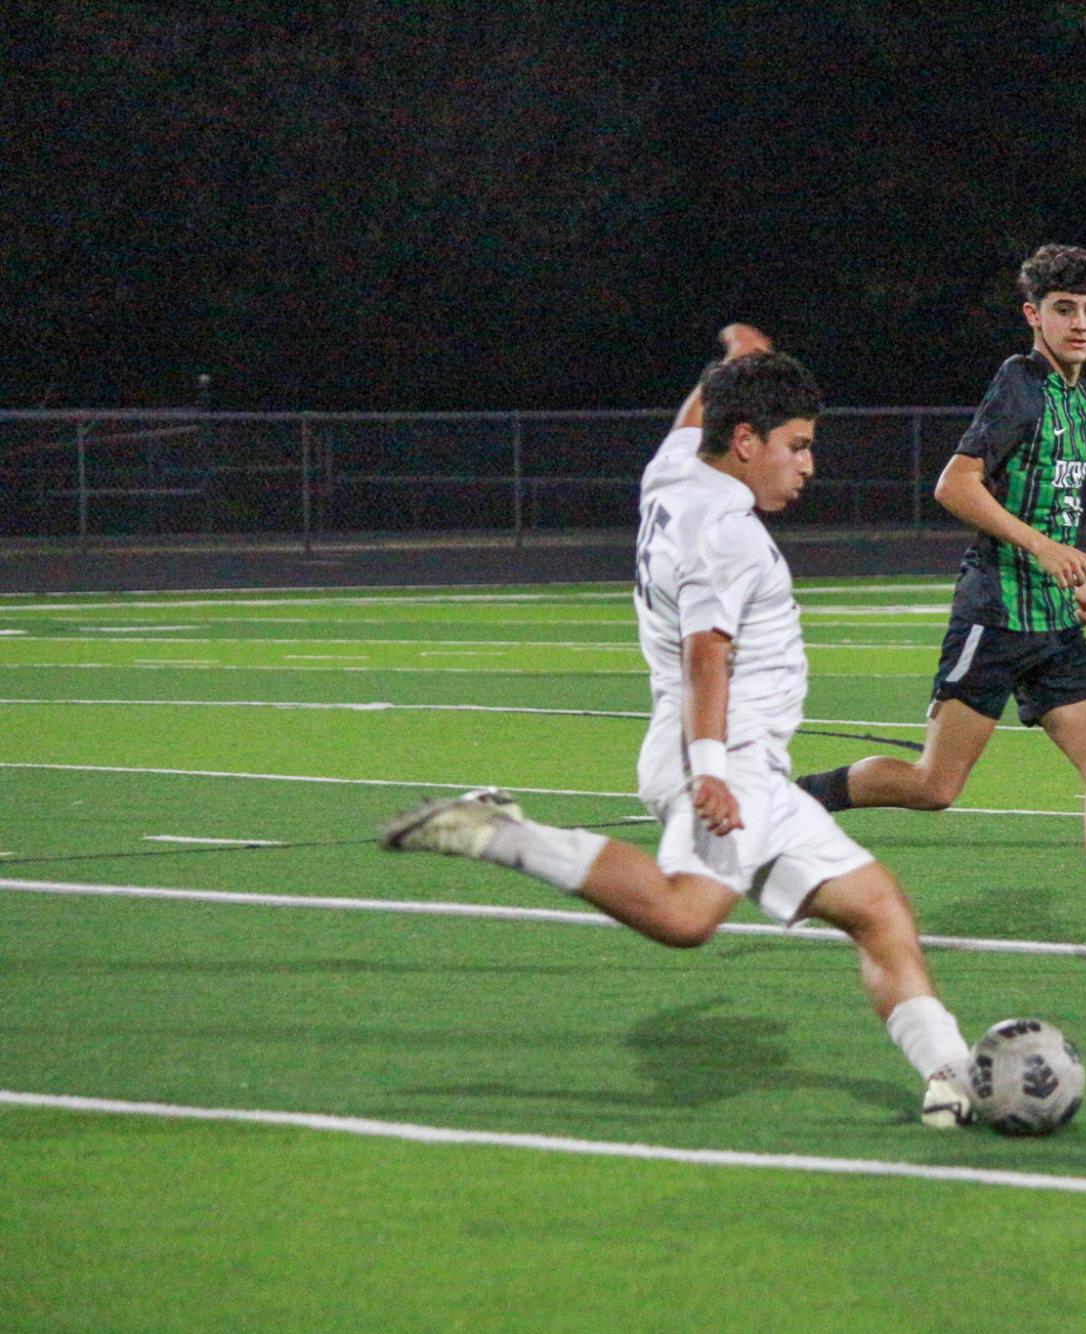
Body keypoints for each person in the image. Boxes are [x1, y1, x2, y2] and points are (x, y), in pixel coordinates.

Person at [381, 345, 980, 1128]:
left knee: (877, 909)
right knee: (684, 916)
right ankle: (498, 834)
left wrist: (732, 361)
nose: (807, 466)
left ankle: (950, 1074)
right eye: (795, 446)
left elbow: (692, 416)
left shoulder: (674, 469)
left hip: (743, 758)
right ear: (744, 442)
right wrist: (710, 771)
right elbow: (708, 652)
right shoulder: (724, 531)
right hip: (722, 753)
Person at [795, 244, 1086, 976]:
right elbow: (954, 485)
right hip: (994, 614)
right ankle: (787, 801)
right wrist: (1042, 551)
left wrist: (1077, 581)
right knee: (934, 787)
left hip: (1052, 624)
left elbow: (1048, 511)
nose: (1079, 323)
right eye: (1063, 310)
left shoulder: (1083, 400)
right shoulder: (1018, 385)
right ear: (1034, 315)